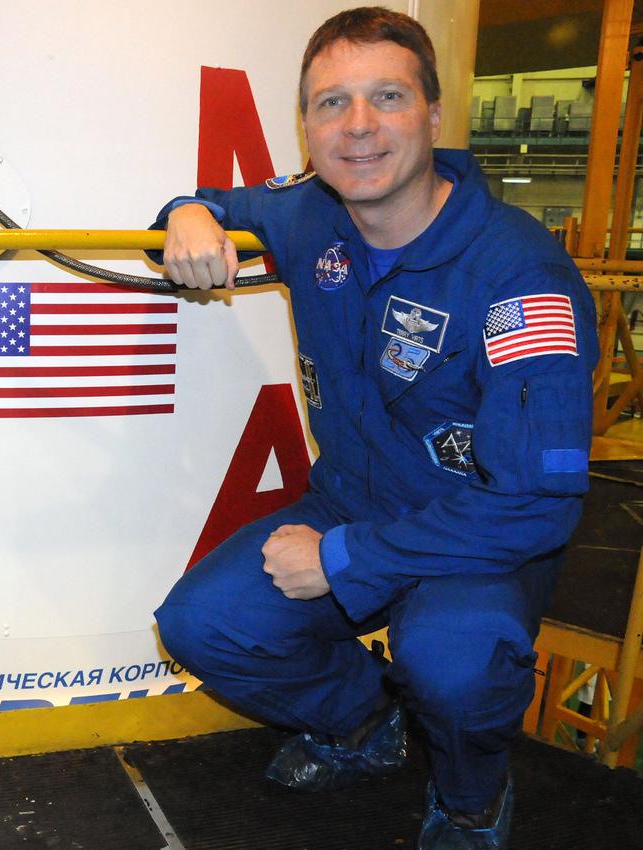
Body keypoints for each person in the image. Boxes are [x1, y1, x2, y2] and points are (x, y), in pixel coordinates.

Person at [151, 7, 596, 849]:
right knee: (201, 624)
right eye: (330, 103)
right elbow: (211, 205)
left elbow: (536, 507)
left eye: (387, 97)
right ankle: (363, 726)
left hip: (475, 541)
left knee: (454, 665)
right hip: (352, 503)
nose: (357, 127)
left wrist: (341, 560)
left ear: (433, 115)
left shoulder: (519, 276)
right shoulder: (309, 213)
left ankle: (471, 801)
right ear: (306, 125)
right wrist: (187, 212)